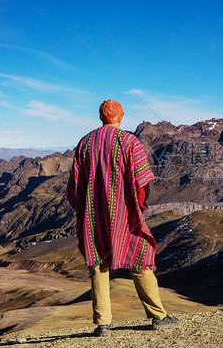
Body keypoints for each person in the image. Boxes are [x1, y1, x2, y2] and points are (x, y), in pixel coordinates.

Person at [65, 99, 179, 336]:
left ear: (101, 117)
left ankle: (103, 324)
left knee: (98, 263)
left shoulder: (85, 143)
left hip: (94, 217)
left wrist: (83, 209)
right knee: (141, 256)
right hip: (125, 215)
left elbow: (75, 187)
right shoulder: (129, 141)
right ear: (120, 117)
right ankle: (158, 316)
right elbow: (143, 182)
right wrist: (140, 205)